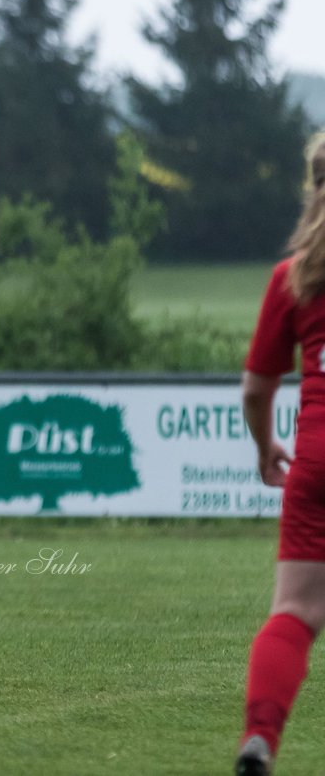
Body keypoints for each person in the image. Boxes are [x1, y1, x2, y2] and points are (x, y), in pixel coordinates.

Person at [236, 135, 325, 776]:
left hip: (317, 460)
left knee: (294, 614)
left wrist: (266, 444)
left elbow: (256, 388)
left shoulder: (293, 279)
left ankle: (261, 738)